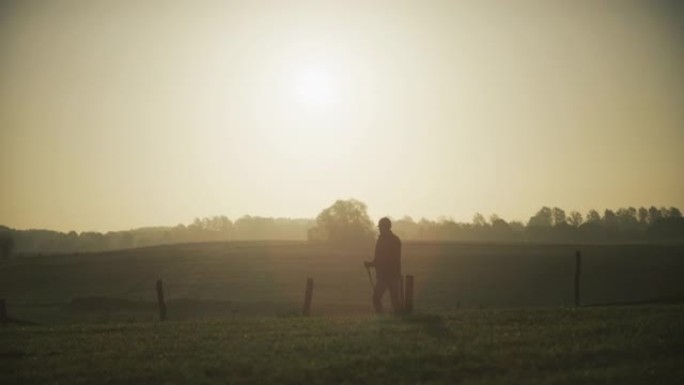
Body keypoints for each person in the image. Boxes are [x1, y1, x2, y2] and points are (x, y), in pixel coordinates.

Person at [364, 217, 402, 314]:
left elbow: (383, 259)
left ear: (385, 227)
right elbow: (382, 258)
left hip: (385, 276)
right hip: (394, 275)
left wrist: (371, 264)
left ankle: (381, 318)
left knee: (376, 298)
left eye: (380, 227)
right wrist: (371, 264)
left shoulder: (383, 240)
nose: (379, 229)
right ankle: (398, 320)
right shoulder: (395, 239)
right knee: (395, 300)